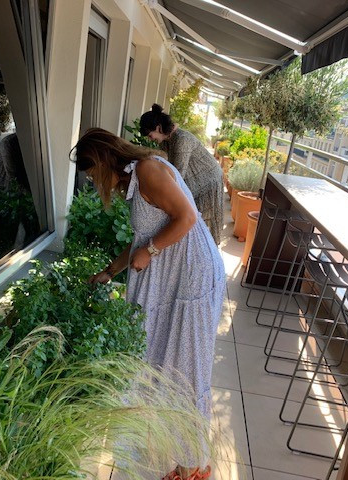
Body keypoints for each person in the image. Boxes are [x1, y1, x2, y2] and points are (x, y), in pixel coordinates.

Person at [73, 128, 226, 480]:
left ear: (106, 160)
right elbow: (143, 237)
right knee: (164, 362)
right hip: (175, 276)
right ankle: (178, 453)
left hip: (192, 277)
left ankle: (194, 466)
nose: (97, 183)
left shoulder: (148, 171)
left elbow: (187, 218)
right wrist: (109, 272)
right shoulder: (135, 177)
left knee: (188, 368)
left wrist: (151, 251)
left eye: (94, 174)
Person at [139, 104, 223, 244]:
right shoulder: (166, 140)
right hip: (195, 180)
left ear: (159, 127)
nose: (150, 138)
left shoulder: (181, 140)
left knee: (200, 228)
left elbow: (177, 177)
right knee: (190, 223)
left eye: (149, 134)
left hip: (208, 182)